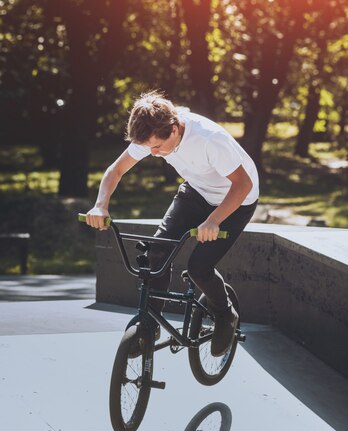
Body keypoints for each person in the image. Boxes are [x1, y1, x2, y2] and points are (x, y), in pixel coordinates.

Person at [85, 91, 259, 356]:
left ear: (175, 129)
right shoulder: (152, 131)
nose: (153, 154)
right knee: (157, 252)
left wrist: (213, 221)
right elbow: (115, 170)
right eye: (149, 148)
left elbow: (243, 184)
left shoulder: (209, 139)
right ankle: (149, 326)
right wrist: (100, 204)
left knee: (199, 268)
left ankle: (225, 315)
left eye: (157, 147)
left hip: (237, 199)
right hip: (197, 192)